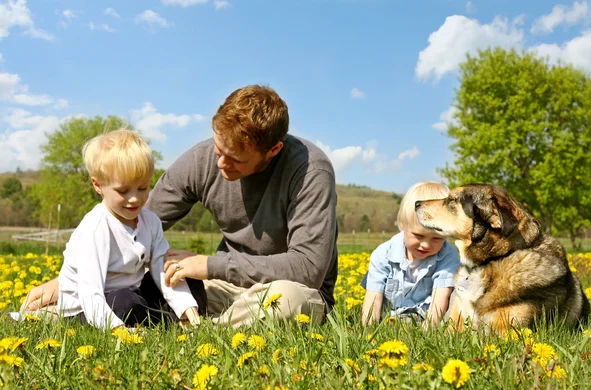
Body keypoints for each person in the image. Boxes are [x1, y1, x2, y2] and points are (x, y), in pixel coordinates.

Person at [21, 85, 338, 328]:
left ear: (273, 150)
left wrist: (210, 265)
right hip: (222, 288)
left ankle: (201, 333)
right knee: (163, 278)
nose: (220, 163)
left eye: (236, 159)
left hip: (289, 291)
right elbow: (135, 220)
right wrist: (72, 278)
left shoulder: (310, 172)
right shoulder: (206, 159)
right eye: (218, 147)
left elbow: (307, 269)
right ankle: (53, 316)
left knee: (286, 301)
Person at [29, 129, 204, 330]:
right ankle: (158, 322)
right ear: (98, 185)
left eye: (143, 188)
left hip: (132, 292)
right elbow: (90, 291)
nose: (135, 199)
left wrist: (185, 305)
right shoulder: (96, 228)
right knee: (125, 302)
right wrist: (117, 330)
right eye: (123, 191)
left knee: (182, 275)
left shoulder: (151, 221)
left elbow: (160, 267)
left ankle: (186, 318)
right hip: (87, 308)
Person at [361, 181, 459, 328]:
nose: (426, 244)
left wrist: (429, 332)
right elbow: (373, 299)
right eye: (418, 236)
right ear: (402, 224)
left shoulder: (448, 256)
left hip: (427, 319)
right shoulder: (383, 255)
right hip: (389, 321)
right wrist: (369, 331)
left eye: (437, 238)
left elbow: (441, 297)